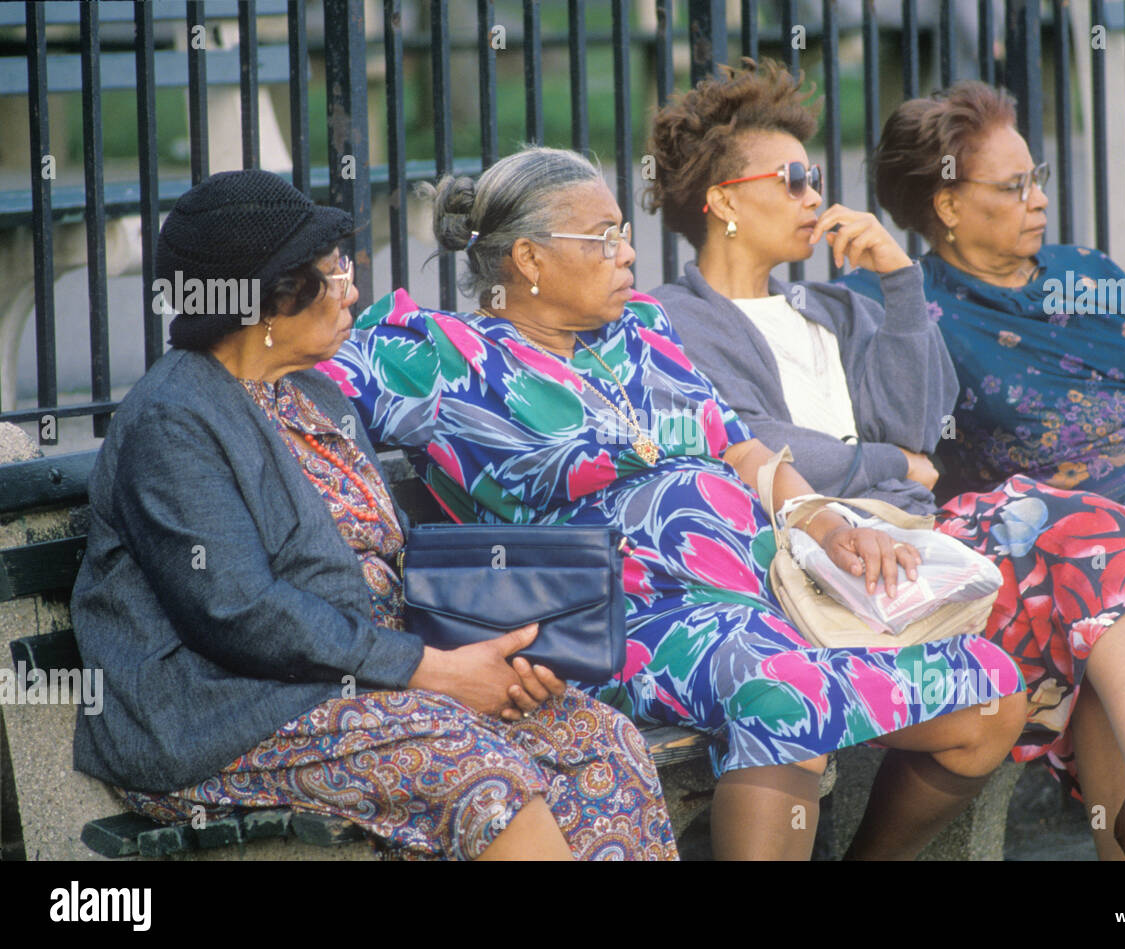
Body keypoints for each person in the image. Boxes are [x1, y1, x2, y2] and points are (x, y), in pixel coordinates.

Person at [322, 146, 1032, 861]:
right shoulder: (444, 357)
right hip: (623, 618)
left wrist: (821, 515)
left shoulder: (643, 331)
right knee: (785, 696)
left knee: (992, 691)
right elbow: (283, 379)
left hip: (768, 592)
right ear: (530, 261)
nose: (628, 251)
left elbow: (742, 448)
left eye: (624, 231)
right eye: (604, 238)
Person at [644, 59, 1125, 861]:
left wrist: (896, 282)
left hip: (917, 547)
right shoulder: (675, 318)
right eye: (791, 179)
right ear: (722, 200)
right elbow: (746, 438)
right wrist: (883, 462)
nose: (813, 196)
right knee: (1064, 588)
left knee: (1102, 540)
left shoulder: (832, 305)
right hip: (805, 558)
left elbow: (922, 424)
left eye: (814, 176)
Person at [70, 169, 678, 861]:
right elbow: (238, 612)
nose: (353, 288)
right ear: (267, 298)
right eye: (332, 274)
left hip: (378, 683)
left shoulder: (317, 396)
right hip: (227, 713)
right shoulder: (175, 419)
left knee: (599, 743)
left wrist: (505, 653)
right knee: (480, 775)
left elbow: (390, 566)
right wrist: (436, 671)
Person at [838, 79, 1125, 861]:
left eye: (1037, 175)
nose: (1039, 198)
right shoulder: (906, 310)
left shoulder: (1089, 273)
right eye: (1013, 185)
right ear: (947, 206)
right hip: (1089, 539)